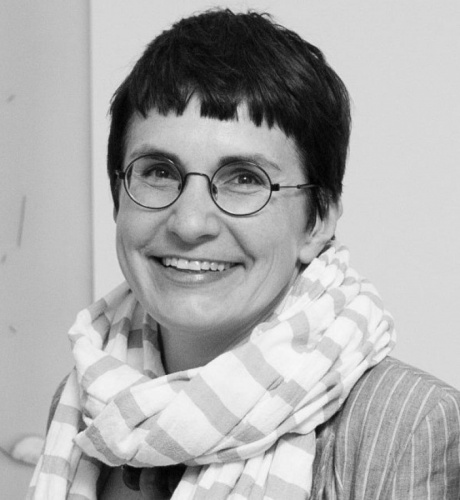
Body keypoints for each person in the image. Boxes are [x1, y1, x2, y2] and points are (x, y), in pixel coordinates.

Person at [28, 9, 460, 500]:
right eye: (159, 172)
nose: (190, 223)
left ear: (318, 221)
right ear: (118, 196)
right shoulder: (89, 404)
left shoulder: (409, 427)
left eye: (244, 179)